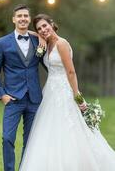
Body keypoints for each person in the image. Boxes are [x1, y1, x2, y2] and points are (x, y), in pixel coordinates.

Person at [19, 14, 115, 171]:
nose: (43, 30)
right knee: (49, 129)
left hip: (64, 91)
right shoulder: (47, 44)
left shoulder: (61, 43)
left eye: (45, 26)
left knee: (70, 128)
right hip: (50, 92)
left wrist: (78, 97)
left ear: (52, 24)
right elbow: (30, 32)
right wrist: (37, 35)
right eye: (39, 28)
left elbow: (71, 72)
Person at [0, 5, 47, 171]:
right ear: (13, 19)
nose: (23, 18)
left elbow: (48, 63)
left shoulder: (38, 40)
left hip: (34, 99)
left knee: (31, 141)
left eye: (26, 16)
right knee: (7, 138)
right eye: (19, 16)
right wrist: (2, 95)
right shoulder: (2, 43)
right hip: (13, 99)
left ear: (29, 19)